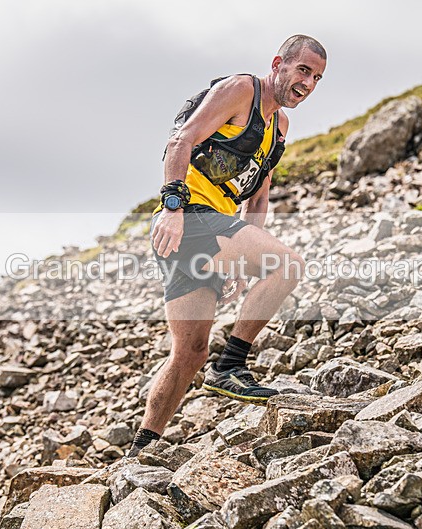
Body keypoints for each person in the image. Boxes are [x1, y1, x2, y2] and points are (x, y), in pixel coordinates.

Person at [128, 35, 327, 457]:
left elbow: (258, 198)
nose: (308, 83)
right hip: (188, 218)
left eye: (317, 78)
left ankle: (141, 450)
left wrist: (240, 263)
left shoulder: (279, 127)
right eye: (303, 70)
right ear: (278, 63)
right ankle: (231, 365)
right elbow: (181, 140)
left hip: (212, 229)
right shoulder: (241, 90)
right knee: (288, 265)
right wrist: (173, 207)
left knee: (190, 353)